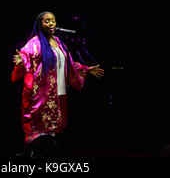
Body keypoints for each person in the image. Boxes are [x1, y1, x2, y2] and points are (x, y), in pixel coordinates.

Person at [11, 11, 104, 152]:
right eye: (47, 21)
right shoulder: (35, 43)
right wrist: (21, 62)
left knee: (53, 129)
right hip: (43, 94)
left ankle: (48, 157)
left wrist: (85, 69)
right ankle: (32, 155)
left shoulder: (59, 42)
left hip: (59, 91)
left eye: (53, 21)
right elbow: (25, 56)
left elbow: (69, 64)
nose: (51, 24)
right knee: (39, 131)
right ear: (40, 24)